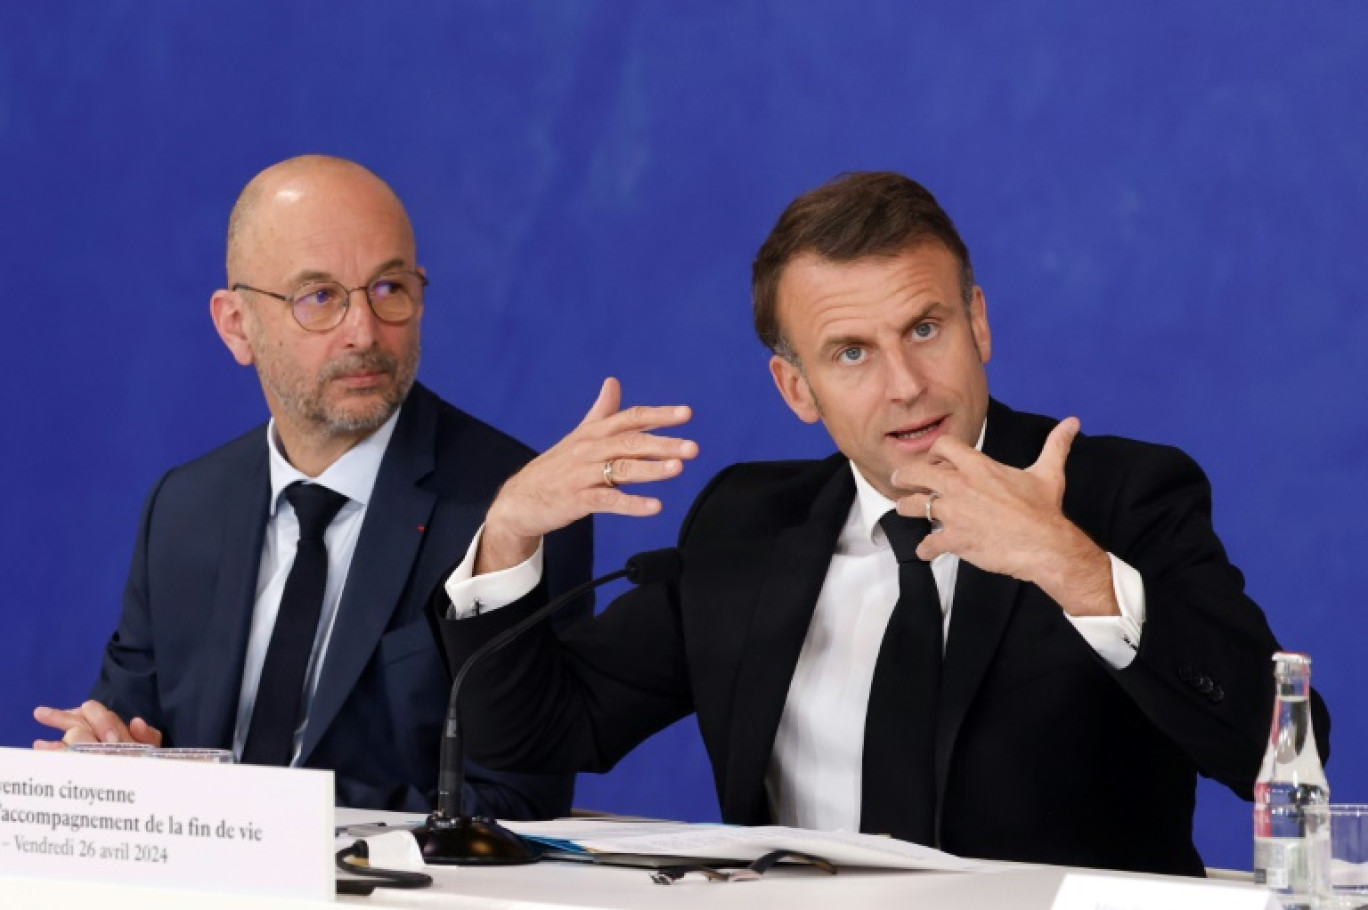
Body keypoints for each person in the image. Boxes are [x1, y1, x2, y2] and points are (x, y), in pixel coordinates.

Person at [432, 171, 1329, 874]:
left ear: (977, 322)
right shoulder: (749, 525)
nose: (904, 385)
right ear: (796, 388)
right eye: (851, 352)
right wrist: (509, 531)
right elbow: (537, 738)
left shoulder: (1118, 497)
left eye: (926, 328)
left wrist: (1077, 570)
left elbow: (1280, 752)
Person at [32, 155, 592, 817]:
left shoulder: (509, 508)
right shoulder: (182, 509)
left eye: (390, 288)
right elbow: (134, 740)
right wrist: (104, 759)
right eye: (319, 297)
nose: (364, 331)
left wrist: (245, 809)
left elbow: (516, 800)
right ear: (236, 324)